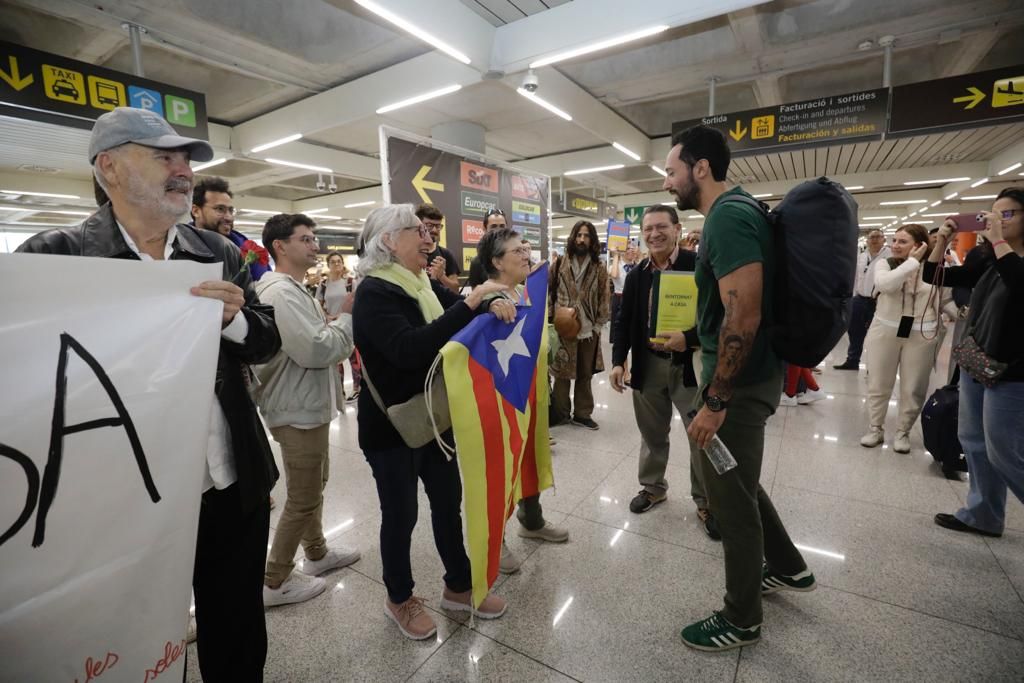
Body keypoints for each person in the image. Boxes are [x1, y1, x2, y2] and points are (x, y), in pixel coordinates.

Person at [17, 107, 281, 680]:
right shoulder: (55, 259)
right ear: (108, 167)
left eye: (185, 159)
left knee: (236, 630)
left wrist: (236, 321)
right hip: (123, 503)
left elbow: (265, 340)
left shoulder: (219, 252)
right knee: (129, 640)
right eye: (164, 156)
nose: (182, 170)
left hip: (228, 482)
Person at [664, 125, 812, 652]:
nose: (667, 181)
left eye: (672, 169)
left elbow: (743, 314)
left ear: (700, 167)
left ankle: (741, 616)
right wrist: (690, 337)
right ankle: (790, 567)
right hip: (747, 376)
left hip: (739, 386)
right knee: (740, 480)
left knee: (730, 500)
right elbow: (730, 308)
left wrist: (716, 400)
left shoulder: (726, 217)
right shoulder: (740, 209)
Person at [352, 204, 517, 640]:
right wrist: (475, 301)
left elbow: (462, 305)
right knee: (401, 515)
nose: (430, 240)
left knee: (448, 502)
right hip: (392, 428)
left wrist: (493, 299)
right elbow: (410, 349)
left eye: (429, 231)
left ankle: (458, 586)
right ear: (389, 241)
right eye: (418, 231)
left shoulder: (420, 281)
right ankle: (399, 597)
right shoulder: (374, 293)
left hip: (434, 419)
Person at [254, 214, 361, 607]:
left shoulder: (294, 290)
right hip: (295, 408)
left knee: (315, 484)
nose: (315, 245)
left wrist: (332, 327)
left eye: (314, 238)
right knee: (302, 496)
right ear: (280, 246)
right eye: (306, 239)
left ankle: (315, 553)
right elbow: (317, 350)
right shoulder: (279, 293)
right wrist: (347, 317)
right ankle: (274, 579)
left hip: (307, 405)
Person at [609, 205, 719, 540]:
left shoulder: (699, 267)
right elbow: (625, 320)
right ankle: (653, 487)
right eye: (648, 229)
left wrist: (689, 339)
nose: (654, 234)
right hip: (648, 364)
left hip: (688, 366)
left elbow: (718, 318)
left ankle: (707, 502)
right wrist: (618, 360)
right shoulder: (639, 271)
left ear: (677, 229)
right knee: (652, 432)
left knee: (699, 436)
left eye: (661, 227)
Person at [928, 188, 1024, 538]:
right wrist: (942, 242)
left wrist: (999, 241)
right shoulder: (984, 258)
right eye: (993, 214)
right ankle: (983, 513)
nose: (998, 221)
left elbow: (1020, 283)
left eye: (1009, 214)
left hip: (1014, 371)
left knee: (1006, 451)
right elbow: (936, 278)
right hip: (977, 360)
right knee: (973, 440)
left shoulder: (1006, 258)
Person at [476, 228, 570, 544]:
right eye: (517, 251)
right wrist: (489, 306)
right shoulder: (488, 297)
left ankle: (531, 519)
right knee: (503, 466)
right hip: (502, 401)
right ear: (497, 262)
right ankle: (495, 541)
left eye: (525, 248)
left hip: (528, 395)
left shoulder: (522, 293)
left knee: (529, 457)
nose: (525, 255)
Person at [859, 224, 951, 454]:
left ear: (920, 245)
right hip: (885, 330)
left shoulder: (937, 268)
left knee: (914, 387)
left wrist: (961, 312)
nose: (895, 246)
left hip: (921, 333)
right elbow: (885, 284)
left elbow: (945, 299)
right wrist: (911, 263)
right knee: (878, 383)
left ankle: (903, 432)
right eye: (894, 241)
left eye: (903, 241)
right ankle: (875, 428)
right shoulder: (886, 264)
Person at [549, 220, 611, 430]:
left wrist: (598, 325)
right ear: (573, 238)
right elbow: (549, 292)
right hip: (563, 328)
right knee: (561, 374)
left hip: (588, 330)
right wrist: (551, 321)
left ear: (592, 240)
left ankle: (583, 414)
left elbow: (605, 296)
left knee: (585, 375)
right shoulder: (559, 263)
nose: (582, 239)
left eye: (586, 236)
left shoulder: (599, 267)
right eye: (578, 235)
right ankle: (560, 413)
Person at [192, 176, 271, 281]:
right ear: (196, 211)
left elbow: (262, 287)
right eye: (220, 209)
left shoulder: (246, 248)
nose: (229, 217)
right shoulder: (176, 245)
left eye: (230, 210)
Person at [835, 229, 890, 370]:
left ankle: (876, 366)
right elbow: (856, 277)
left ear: (884, 239)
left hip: (879, 301)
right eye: (871, 237)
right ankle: (853, 360)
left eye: (878, 237)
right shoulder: (862, 256)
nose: (874, 239)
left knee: (877, 334)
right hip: (859, 299)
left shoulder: (889, 256)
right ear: (867, 240)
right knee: (854, 331)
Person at [318, 252, 362, 403]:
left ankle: (357, 388)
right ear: (328, 265)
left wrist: (343, 315)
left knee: (353, 358)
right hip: (331, 325)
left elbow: (357, 302)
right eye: (333, 262)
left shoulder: (350, 282)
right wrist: (328, 316)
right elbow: (318, 304)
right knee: (336, 359)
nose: (337, 264)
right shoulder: (323, 284)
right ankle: (339, 391)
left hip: (349, 324)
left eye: (339, 262)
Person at [416, 203, 462, 292]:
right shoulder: (410, 253)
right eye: (429, 225)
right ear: (419, 225)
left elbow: (456, 290)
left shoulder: (446, 254)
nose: (434, 230)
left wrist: (442, 276)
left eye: (438, 226)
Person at [467, 208, 508, 287]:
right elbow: (477, 296)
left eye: (502, 226)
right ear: (484, 229)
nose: (499, 230)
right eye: (493, 226)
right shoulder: (477, 263)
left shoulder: (517, 256)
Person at [607, 242, 638, 345]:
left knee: (635, 335)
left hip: (635, 301)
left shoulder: (638, 267)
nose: (631, 250)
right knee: (620, 338)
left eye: (633, 248)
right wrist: (616, 255)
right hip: (620, 300)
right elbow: (614, 275)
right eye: (628, 248)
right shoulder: (616, 266)